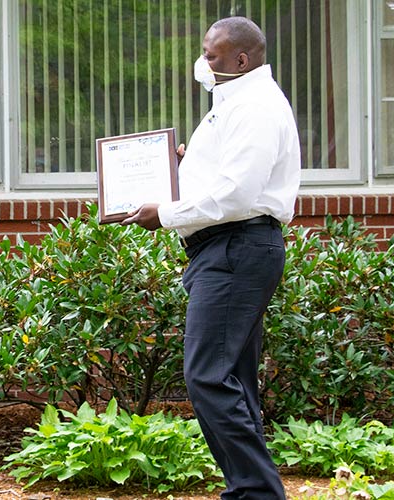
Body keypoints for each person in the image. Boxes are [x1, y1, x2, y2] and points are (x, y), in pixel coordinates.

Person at [122, 17, 300, 499]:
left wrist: (166, 213)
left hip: (236, 247)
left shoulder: (256, 107)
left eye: (213, 55)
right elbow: (228, 180)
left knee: (207, 376)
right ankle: (253, 492)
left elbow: (239, 195)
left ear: (241, 60)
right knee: (233, 380)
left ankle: (256, 493)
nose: (203, 63)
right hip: (227, 248)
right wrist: (185, 168)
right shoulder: (234, 103)